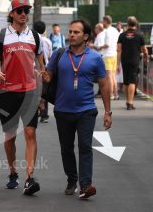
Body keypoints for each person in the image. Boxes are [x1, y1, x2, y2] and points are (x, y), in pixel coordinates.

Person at [41, 19, 112, 199]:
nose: (71, 35)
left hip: (86, 110)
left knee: (85, 147)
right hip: (63, 110)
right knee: (66, 148)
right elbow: (49, 77)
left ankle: (85, 185)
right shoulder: (60, 54)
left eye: (76, 32)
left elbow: (104, 85)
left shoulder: (95, 58)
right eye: (70, 32)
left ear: (86, 36)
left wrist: (108, 112)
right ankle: (72, 179)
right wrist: (45, 77)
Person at [0, 0, 45, 196]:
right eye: (19, 11)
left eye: (26, 10)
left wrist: (42, 95)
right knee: (9, 136)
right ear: (11, 14)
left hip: (29, 92)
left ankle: (29, 178)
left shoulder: (35, 37)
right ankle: (12, 173)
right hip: (8, 92)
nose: (23, 14)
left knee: (30, 133)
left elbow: (42, 68)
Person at [117, 16, 148, 110]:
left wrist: (117, 63)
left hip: (124, 60)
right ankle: (130, 103)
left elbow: (119, 50)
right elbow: (144, 50)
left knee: (126, 81)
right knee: (132, 81)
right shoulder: (139, 35)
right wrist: (146, 58)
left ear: (127, 24)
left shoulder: (122, 35)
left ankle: (127, 101)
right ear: (136, 24)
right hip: (134, 60)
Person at [33, 21, 52, 123]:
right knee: (44, 92)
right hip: (45, 68)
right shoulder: (48, 41)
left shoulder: (31, 40)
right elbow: (49, 55)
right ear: (44, 30)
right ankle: (44, 115)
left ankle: (34, 114)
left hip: (34, 69)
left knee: (34, 91)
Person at [99, 15, 120, 100]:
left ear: (106, 21)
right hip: (114, 54)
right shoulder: (115, 30)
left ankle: (110, 94)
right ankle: (116, 94)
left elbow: (107, 45)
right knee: (113, 76)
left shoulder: (107, 31)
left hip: (108, 55)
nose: (102, 23)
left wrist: (99, 47)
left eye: (103, 21)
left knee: (109, 76)